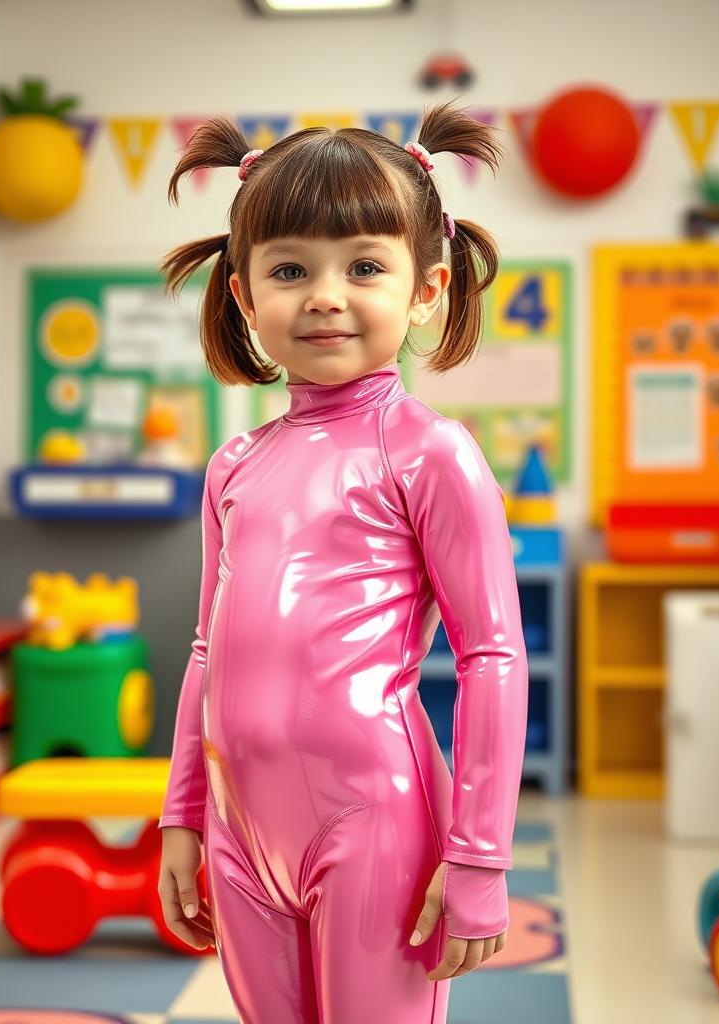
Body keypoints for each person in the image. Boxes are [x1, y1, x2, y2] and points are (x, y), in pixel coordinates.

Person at [156, 100, 528, 1024]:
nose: (325, 294)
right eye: (290, 269)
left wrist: (478, 854)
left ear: (426, 289)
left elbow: (492, 657)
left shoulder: (431, 454)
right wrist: (180, 818)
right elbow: (206, 651)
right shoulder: (234, 465)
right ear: (245, 295)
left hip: (376, 822)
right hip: (242, 835)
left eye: (365, 266)